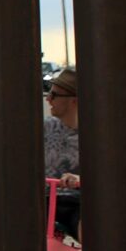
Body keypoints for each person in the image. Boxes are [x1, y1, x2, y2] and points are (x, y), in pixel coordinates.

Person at [44, 68, 81, 242]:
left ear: (74, 100)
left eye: (54, 95)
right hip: (42, 202)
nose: (48, 99)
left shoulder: (100, 138)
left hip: (78, 205)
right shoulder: (44, 127)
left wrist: (79, 179)